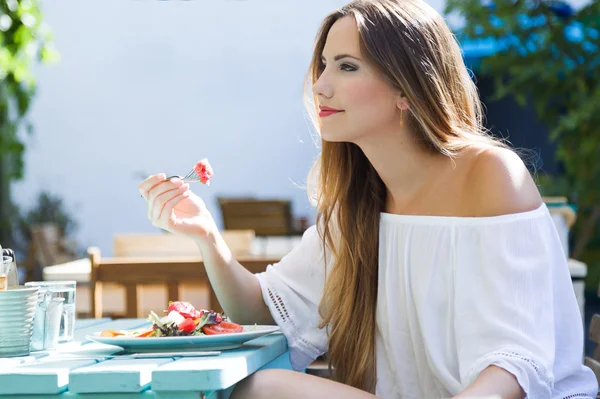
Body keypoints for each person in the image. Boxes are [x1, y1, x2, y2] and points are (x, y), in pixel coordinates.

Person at [138, 0, 598, 397]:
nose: (320, 85)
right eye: (323, 65)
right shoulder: (357, 203)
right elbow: (264, 313)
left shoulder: (490, 173)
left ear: (406, 88)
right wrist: (205, 236)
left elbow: (515, 361)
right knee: (252, 387)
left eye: (346, 66)